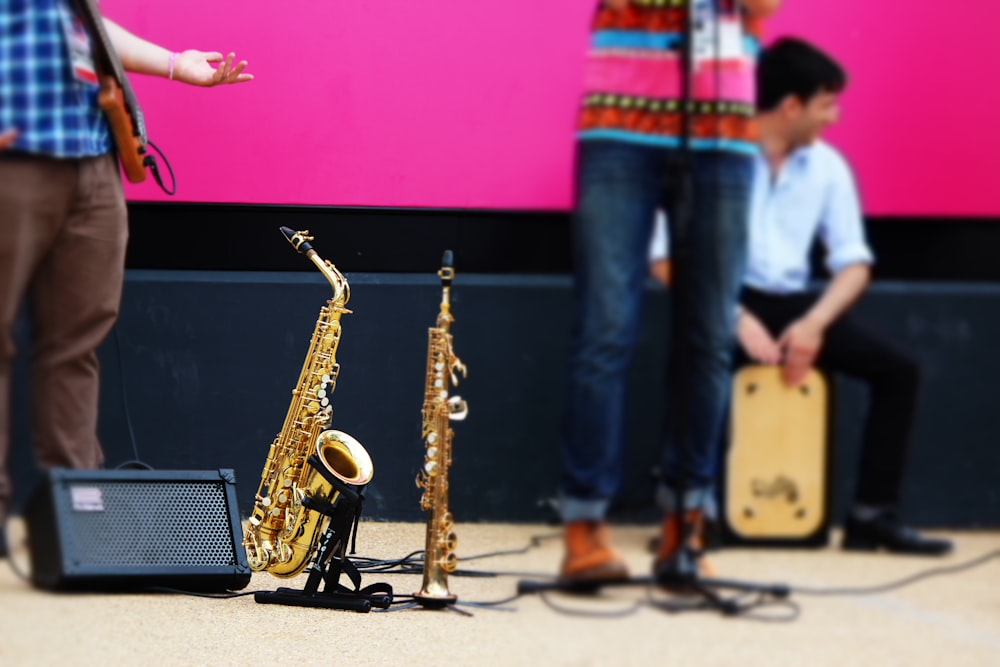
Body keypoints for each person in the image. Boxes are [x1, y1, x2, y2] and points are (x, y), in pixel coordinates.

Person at [649, 37, 952, 555]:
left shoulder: (828, 166)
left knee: (899, 371)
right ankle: (694, 510)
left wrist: (814, 325)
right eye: (826, 104)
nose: (834, 117)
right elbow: (664, 258)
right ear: (791, 106)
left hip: (796, 304)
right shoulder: (711, 157)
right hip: (722, 295)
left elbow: (854, 262)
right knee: (698, 354)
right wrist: (734, 314)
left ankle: (871, 518)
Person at [0, 0, 253, 557]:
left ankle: (71, 513)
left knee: (77, 340)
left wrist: (173, 64)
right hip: (13, 158)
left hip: (92, 155)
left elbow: (75, 29)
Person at [559, 0, 783, 585]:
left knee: (709, 335)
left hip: (723, 133)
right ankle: (585, 527)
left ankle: (687, 519)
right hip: (618, 125)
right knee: (604, 329)